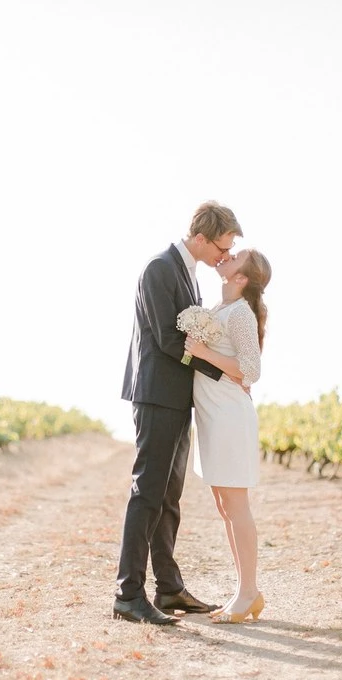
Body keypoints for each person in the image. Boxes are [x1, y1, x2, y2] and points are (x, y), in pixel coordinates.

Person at [114, 201, 244, 625]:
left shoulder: (186, 272)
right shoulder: (158, 269)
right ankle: (128, 594)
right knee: (147, 492)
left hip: (177, 397)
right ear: (202, 238)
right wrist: (220, 371)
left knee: (169, 497)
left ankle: (168, 588)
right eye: (222, 246)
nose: (224, 256)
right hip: (155, 395)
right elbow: (171, 341)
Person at [182, 248, 272, 624]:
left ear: (242, 278)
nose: (227, 255)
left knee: (237, 506)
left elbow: (251, 370)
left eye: (236, 257)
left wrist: (202, 352)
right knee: (224, 505)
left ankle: (249, 591)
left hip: (229, 416)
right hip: (212, 415)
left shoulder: (240, 314)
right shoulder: (220, 308)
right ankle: (244, 591)